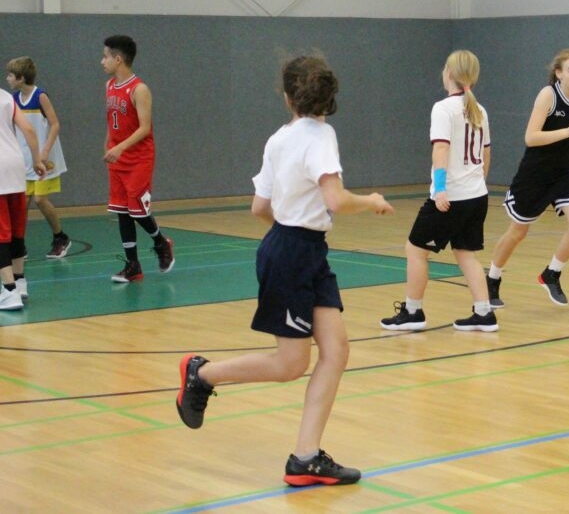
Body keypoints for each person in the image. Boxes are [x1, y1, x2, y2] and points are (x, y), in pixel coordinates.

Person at [176, 55, 394, 487]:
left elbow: (259, 207)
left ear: (287, 97)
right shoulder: (321, 136)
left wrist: (287, 234)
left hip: (299, 249)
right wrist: (370, 201)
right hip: (295, 253)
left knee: (336, 351)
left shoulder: (279, 139)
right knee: (291, 363)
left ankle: (305, 458)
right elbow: (335, 199)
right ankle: (201, 374)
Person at [380, 50, 497, 332]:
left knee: (415, 250)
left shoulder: (443, 108)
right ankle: (484, 313)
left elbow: (441, 149)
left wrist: (441, 188)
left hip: (451, 197)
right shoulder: (479, 110)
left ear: (450, 73)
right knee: (466, 253)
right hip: (476, 196)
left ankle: (413, 311)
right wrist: (477, 184)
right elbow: (486, 153)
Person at [485, 48, 569, 308]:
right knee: (518, 232)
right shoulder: (548, 95)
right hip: (535, 174)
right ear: (558, 73)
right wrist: (568, 132)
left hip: (564, 173)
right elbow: (531, 137)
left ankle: (551, 273)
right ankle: (492, 278)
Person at [101, 35, 175, 281]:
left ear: (118, 59)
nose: (102, 61)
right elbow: (112, 120)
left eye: (105, 56)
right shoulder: (109, 86)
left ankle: (161, 243)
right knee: (122, 212)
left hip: (138, 158)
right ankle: (133, 266)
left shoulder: (139, 89)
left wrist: (120, 147)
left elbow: (144, 128)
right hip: (117, 156)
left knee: (138, 212)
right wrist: (109, 143)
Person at [6, 57, 71, 262]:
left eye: (10, 75)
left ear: (21, 78)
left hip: (45, 158)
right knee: (22, 203)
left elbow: (55, 124)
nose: (7, 78)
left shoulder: (40, 96)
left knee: (40, 199)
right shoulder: (14, 99)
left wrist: (45, 151)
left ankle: (61, 237)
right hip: (25, 159)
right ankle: (19, 245)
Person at [0, 92, 47, 311]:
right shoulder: (6, 97)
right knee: (17, 230)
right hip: (16, 165)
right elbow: (28, 129)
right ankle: (20, 282)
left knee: (1, 234)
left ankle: (9, 291)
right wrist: (37, 160)